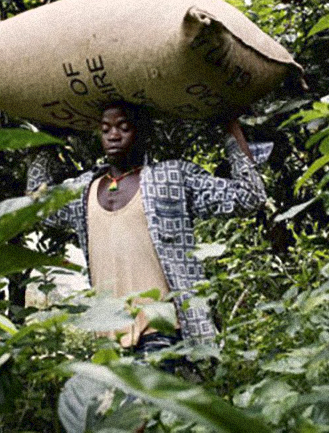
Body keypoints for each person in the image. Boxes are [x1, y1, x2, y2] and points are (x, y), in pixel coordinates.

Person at [26, 101, 270, 351]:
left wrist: (230, 127)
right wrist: (47, 137)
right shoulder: (81, 191)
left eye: (123, 127)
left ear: (142, 133)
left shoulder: (170, 178)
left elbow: (248, 196)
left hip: (162, 333)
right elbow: (35, 207)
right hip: (108, 343)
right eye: (105, 128)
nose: (113, 135)